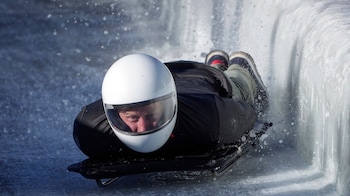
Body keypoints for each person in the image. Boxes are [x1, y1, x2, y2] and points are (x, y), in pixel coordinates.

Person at [72, 50, 268, 160]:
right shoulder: (89, 129)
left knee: (238, 86)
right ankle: (216, 61)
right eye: (132, 118)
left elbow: (250, 115)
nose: (143, 127)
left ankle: (236, 65)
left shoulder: (212, 118)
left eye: (150, 115)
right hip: (164, 76)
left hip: (203, 80)